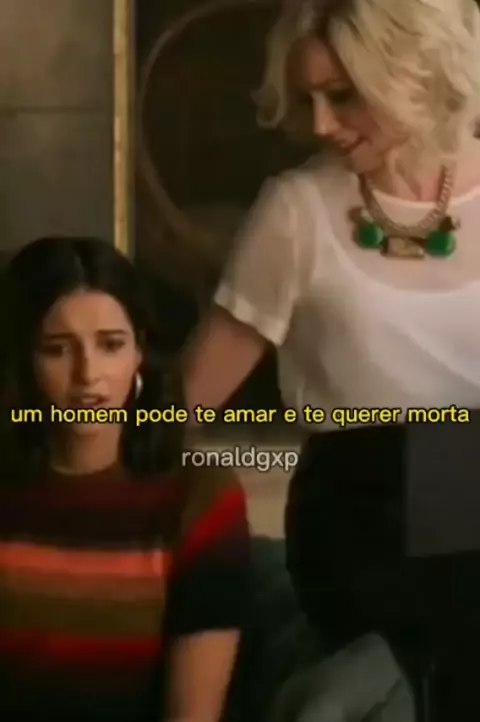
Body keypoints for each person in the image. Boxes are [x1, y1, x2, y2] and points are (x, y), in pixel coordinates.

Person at [184, 0, 480, 718]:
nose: (319, 124)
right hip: (361, 504)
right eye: (308, 99)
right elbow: (188, 398)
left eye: (341, 96)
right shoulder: (296, 210)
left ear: (410, 74)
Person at [0, 236, 250, 722]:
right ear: (24, 361)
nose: (87, 374)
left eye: (111, 345)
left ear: (139, 352)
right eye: (57, 349)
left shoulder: (199, 499)